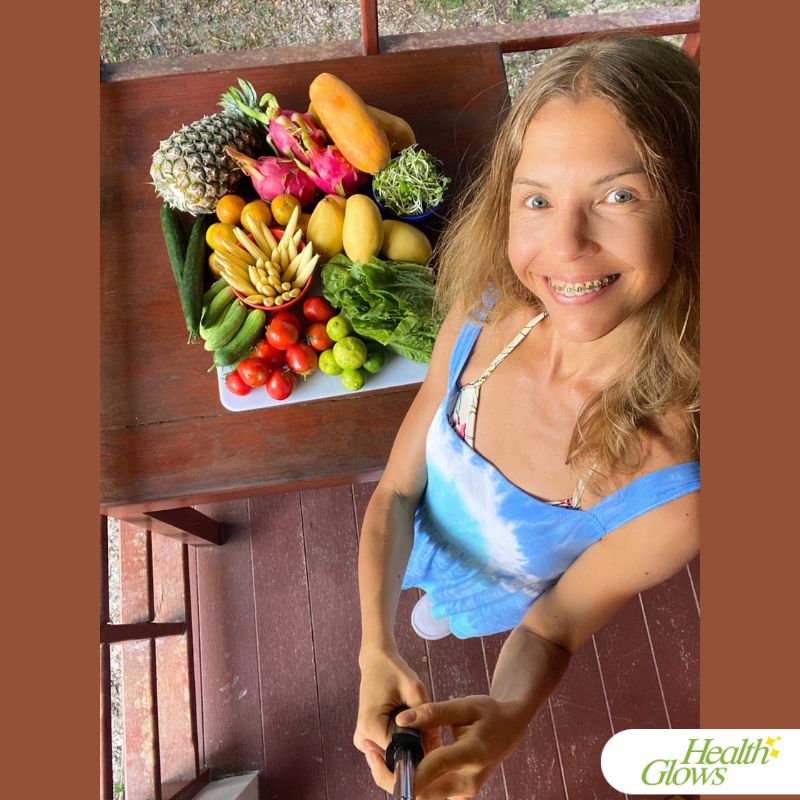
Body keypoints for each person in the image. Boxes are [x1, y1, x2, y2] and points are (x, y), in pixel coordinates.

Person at [354, 35, 700, 800]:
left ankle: (441, 616)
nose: (565, 246)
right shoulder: (484, 316)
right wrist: (375, 645)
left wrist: (505, 722)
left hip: (505, 593)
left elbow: (550, 625)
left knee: (449, 617)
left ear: (696, 206)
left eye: (619, 196)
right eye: (537, 199)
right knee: (413, 602)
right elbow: (396, 494)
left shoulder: (671, 493)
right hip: (420, 534)